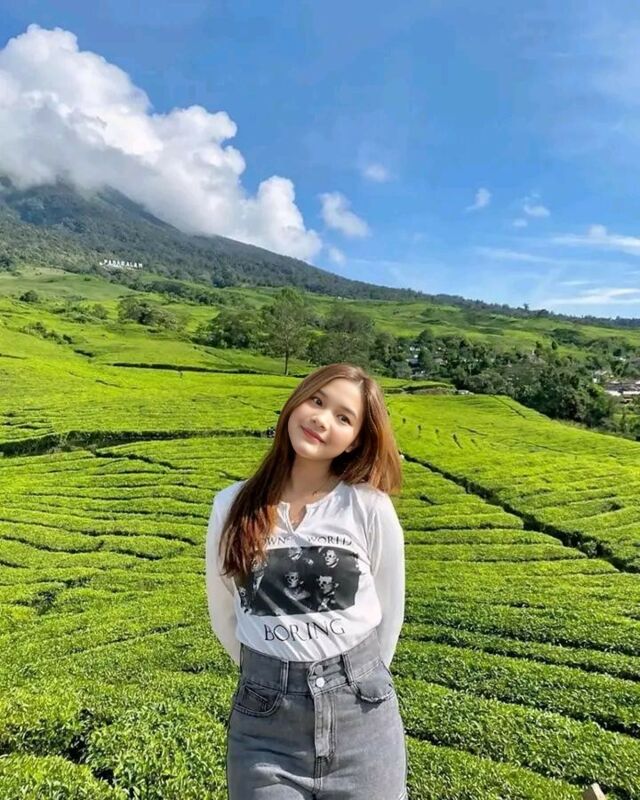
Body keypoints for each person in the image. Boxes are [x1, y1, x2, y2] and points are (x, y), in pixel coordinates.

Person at [205, 362, 408, 799]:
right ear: (295, 402)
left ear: (356, 440)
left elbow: (390, 612)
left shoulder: (368, 507)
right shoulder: (231, 506)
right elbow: (224, 612)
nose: (322, 419)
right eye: (316, 401)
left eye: (343, 417)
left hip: (362, 718)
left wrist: (356, 680)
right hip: (264, 727)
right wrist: (271, 672)